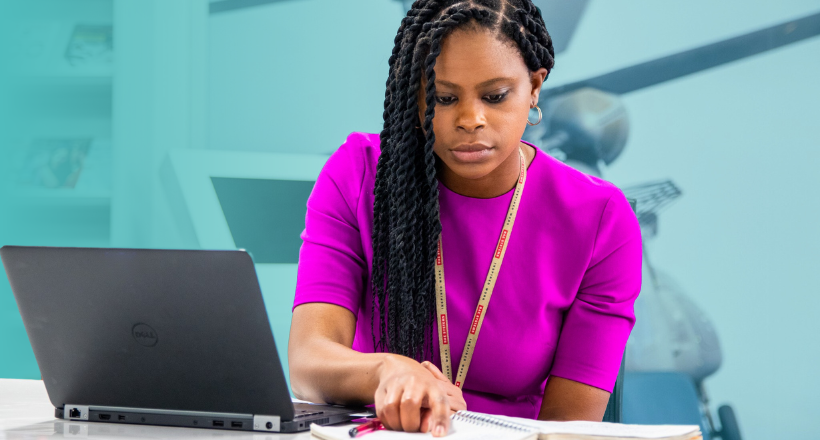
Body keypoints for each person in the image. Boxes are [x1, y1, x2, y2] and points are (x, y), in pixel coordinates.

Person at [288, 0, 642, 437]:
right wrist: (387, 372)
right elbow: (308, 362)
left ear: (534, 87)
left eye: (495, 96)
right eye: (443, 97)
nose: (470, 119)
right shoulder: (360, 174)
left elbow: (568, 429)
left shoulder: (600, 220)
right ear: (415, 94)